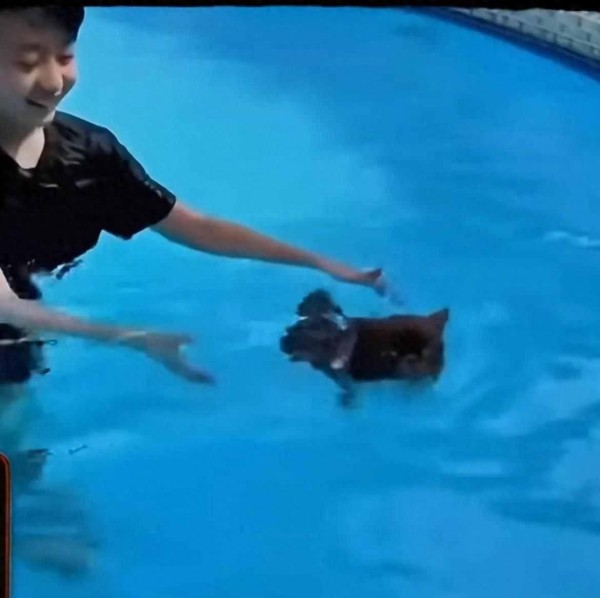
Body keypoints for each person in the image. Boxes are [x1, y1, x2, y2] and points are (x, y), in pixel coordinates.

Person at [0, 5, 387, 387]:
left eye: (65, 57)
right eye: (28, 63)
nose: (54, 82)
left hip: (35, 291)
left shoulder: (88, 151)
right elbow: (7, 306)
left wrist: (319, 262)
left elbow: (194, 226)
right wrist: (131, 337)